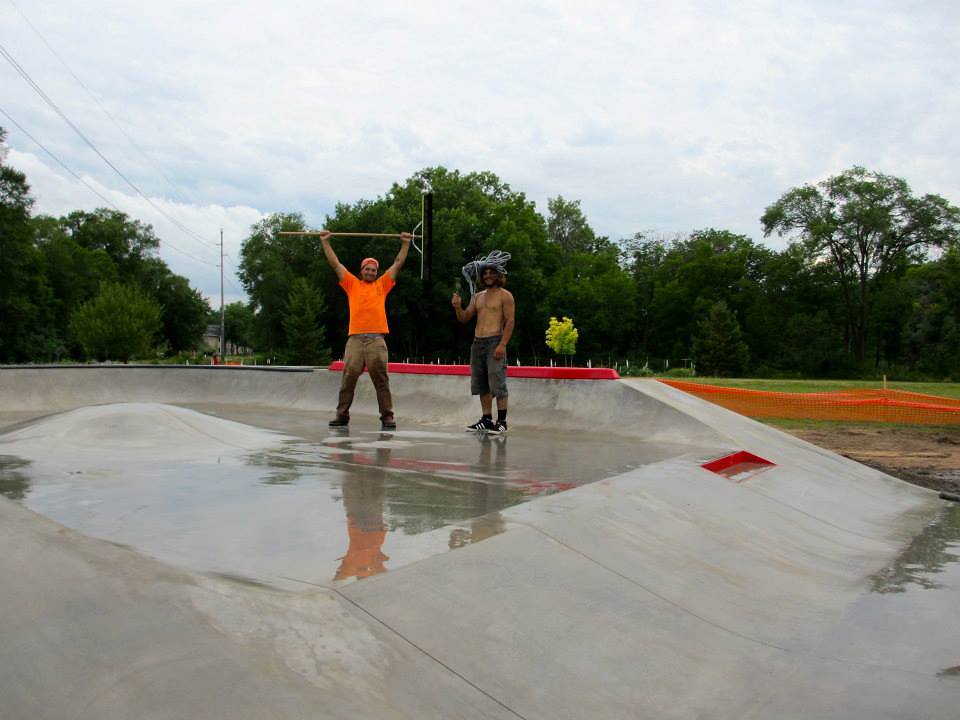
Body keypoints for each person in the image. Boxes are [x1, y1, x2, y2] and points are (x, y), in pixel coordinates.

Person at [320, 230, 412, 430]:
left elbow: (398, 263)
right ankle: (342, 415)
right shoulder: (352, 284)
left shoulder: (382, 285)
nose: (370, 272)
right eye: (367, 269)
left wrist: (405, 243)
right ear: (361, 271)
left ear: (376, 272)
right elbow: (335, 264)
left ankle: (387, 417)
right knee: (348, 378)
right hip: (355, 340)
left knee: (381, 379)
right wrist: (325, 242)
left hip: (376, 340)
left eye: (373, 270)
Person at [451, 263, 515, 433]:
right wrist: (457, 307)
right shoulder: (478, 296)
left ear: (498, 275)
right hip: (478, 342)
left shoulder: (505, 295)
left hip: (495, 341)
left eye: (491, 273)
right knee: (482, 384)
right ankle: (486, 419)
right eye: (485, 273)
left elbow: (510, 322)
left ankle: (502, 422)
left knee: (498, 383)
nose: (487, 276)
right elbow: (464, 318)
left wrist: (502, 344)